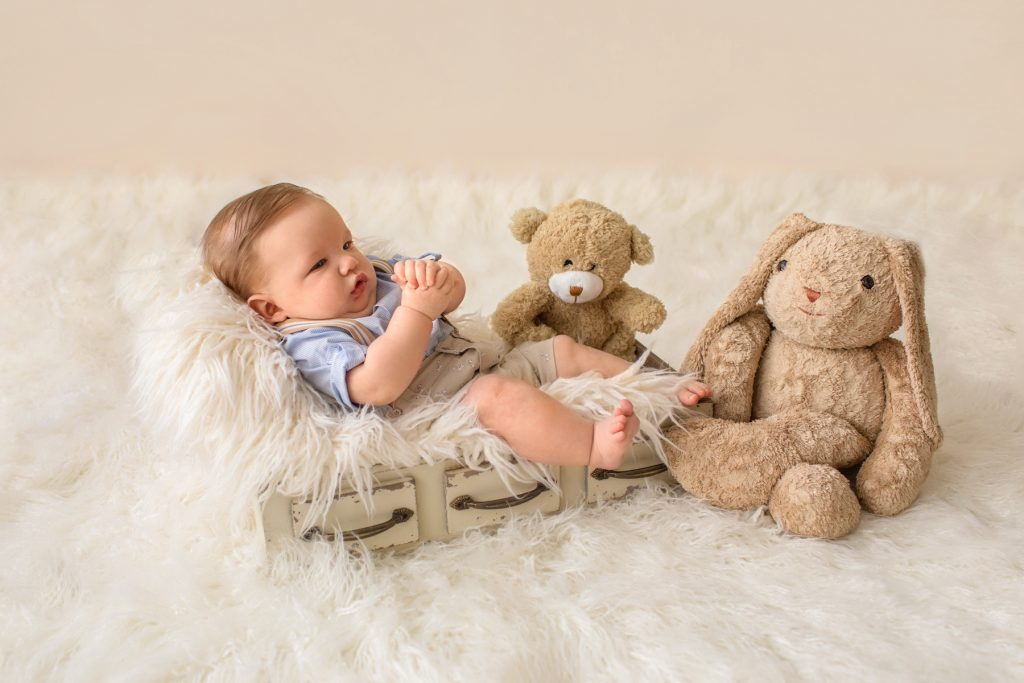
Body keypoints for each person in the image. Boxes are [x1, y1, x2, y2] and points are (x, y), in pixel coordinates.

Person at [201, 183, 711, 470]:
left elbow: (450, 293)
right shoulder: (314, 342)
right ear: (271, 310)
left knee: (560, 347)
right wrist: (416, 312)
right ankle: (592, 446)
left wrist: (439, 282)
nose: (348, 263)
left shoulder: (376, 275)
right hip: (440, 410)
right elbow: (377, 385)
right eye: (318, 264)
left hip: (477, 364)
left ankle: (660, 387)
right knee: (497, 397)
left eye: (347, 242)